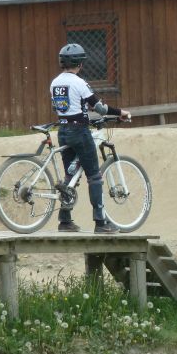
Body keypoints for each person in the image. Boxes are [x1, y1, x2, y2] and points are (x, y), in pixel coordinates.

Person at [50, 43, 130, 234]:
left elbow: (61, 107)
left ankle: (65, 220)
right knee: (94, 176)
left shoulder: (55, 83)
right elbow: (99, 107)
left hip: (63, 131)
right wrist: (120, 112)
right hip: (79, 132)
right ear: (80, 63)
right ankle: (101, 223)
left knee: (70, 176)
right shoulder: (79, 82)